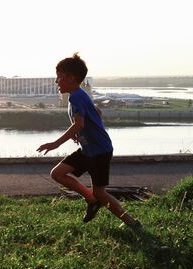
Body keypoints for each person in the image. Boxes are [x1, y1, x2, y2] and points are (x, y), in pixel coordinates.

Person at [37, 53, 141, 228]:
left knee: (101, 193)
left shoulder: (76, 96)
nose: (56, 82)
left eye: (59, 77)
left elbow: (79, 123)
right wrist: (83, 132)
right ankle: (92, 200)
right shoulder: (79, 95)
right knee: (57, 174)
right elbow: (96, 112)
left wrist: (55, 144)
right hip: (88, 150)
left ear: (71, 78)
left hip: (99, 151)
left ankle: (132, 223)